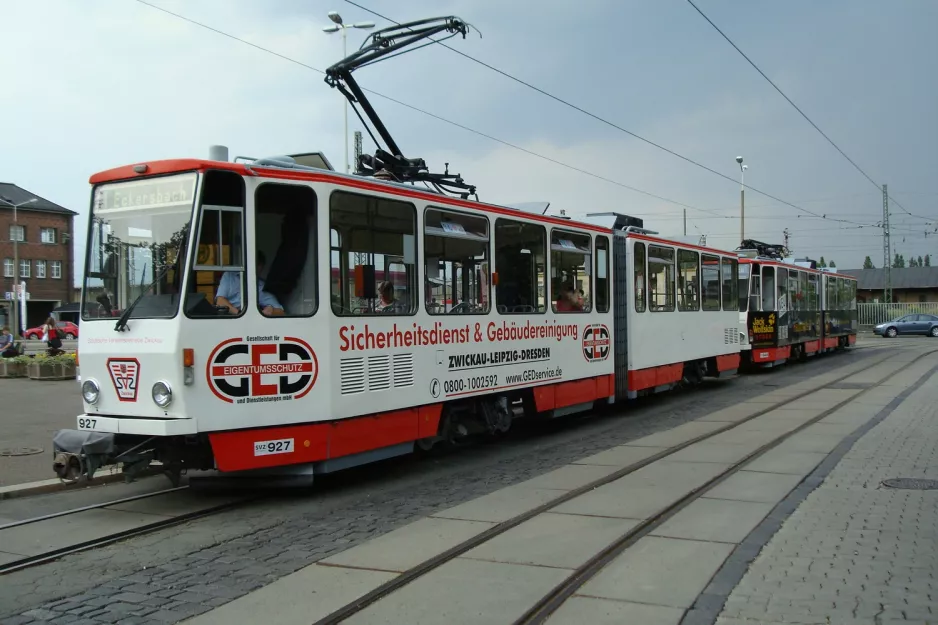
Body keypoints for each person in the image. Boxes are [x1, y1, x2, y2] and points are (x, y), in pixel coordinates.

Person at [215, 251, 285, 316]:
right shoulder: (229, 275)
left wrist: (271, 310)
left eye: (260, 265)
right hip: (226, 316)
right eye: (256, 264)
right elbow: (220, 301)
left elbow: (281, 311)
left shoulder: (261, 286)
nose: (258, 268)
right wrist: (240, 314)